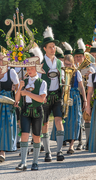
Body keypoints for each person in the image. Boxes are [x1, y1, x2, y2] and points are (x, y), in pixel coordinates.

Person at [15, 63, 47, 171]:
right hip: (25, 110)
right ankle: (23, 162)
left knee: (36, 136)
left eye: (31, 68)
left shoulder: (42, 82)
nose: (29, 70)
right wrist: (20, 87)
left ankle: (35, 162)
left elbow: (42, 99)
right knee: (24, 135)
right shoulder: (24, 82)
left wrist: (27, 93)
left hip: (37, 111)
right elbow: (17, 99)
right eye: (27, 68)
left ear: (37, 69)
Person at [40, 26, 65, 162]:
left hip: (57, 95)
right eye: (50, 47)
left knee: (58, 121)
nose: (53, 49)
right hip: (45, 96)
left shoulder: (59, 63)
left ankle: (59, 151)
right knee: (45, 124)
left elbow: (62, 79)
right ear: (45, 48)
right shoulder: (40, 63)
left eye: (54, 47)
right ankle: (48, 152)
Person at [62, 55, 86, 154]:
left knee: (75, 120)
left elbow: (81, 87)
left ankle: (71, 145)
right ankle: (63, 143)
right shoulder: (61, 72)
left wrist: (84, 100)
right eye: (66, 64)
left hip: (75, 97)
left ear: (72, 64)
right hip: (64, 97)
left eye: (69, 64)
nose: (67, 66)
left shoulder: (77, 73)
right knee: (65, 120)